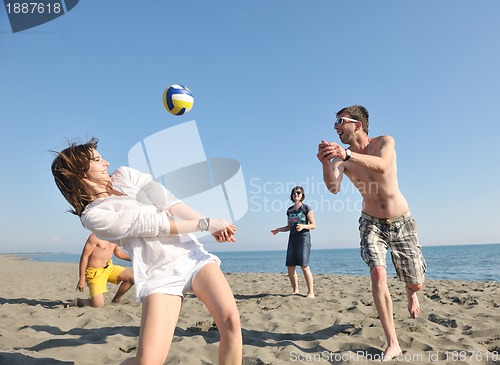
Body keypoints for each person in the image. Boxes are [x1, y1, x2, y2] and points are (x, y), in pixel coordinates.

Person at [51, 138, 242, 365]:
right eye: (98, 159)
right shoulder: (94, 216)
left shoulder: (125, 175)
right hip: (158, 274)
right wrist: (208, 225)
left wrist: (207, 222)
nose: (106, 162)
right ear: (79, 172)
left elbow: (168, 201)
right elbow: (155, 225)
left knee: (230, 322)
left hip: (191, 257)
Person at [317, 105, 427, 361]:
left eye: (339, 121)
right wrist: (326, 164)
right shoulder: (341, 158)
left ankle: (412, 293)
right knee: (378, 273)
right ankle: (393, 342)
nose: (335, 127)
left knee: (416, 281)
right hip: (371, 223)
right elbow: (333, 188)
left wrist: (346, 155)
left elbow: (382, 166)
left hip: (402, 221)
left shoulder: (384, 142)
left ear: (357, 124)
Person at [271, 186, 316, 298]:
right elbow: (289, 226)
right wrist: (278, 230)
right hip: (292, 239)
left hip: (303, 239)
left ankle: (311, 292)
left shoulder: (307, 209)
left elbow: (314, 225)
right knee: (290, 266)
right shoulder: (289, 210)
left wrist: (303, 226)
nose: (296, 194)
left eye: (298, 193)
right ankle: (295, 290)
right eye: (294, 193)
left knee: (304, 266)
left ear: (302, 195)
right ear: (292, 195)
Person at [75, 233, 134, 308]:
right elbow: (84, 256)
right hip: (95, 273)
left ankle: (116, 300)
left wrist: (134, 259)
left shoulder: (115, 236)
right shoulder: (95, 236)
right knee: (98, 305)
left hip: (109, 268)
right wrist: (82, 279)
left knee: (132, 278)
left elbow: (118, 252)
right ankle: (79, 301)